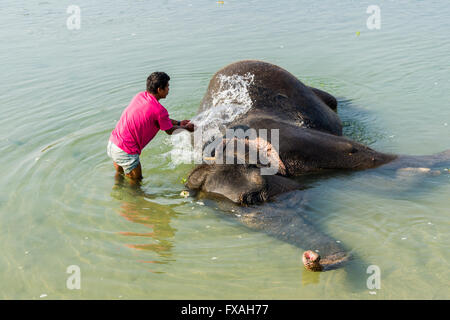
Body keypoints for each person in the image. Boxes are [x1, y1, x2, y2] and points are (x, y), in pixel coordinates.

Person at [107, 72, 194, 182]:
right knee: (136, 185)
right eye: (167, 86)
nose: (168, 89)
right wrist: (187, 129)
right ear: (159, 90)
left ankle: (116, 192)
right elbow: (169, 131)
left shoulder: (140, 96)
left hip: (113, 144)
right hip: (126, 151)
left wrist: (179, 123)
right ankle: (130, 199)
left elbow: (160, 119)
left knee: (119, 176)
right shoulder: (159, 110)